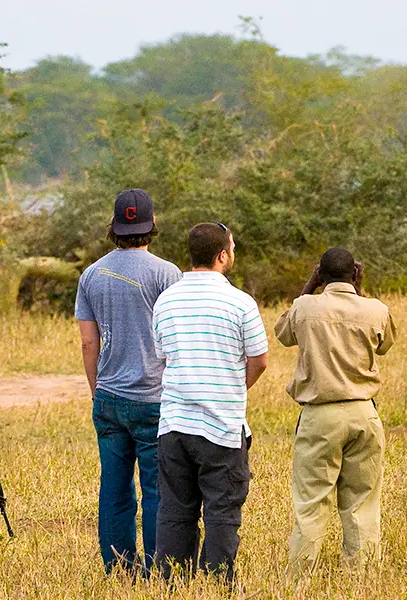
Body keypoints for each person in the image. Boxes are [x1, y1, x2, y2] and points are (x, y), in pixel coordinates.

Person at [152, 222, 268, 583]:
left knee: (173, 510)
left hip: (173, 425)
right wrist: (235, 387)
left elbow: (162, 355)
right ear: (222, 255)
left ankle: (172, 581)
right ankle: (218, 582)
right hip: (221, 426)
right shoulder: (240, 302)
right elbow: (260, 359)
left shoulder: (165, 300)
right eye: (231, 249)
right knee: (222, 510)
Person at [75, 189, 182, 575]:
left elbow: (89, 341)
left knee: (115, 488)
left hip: (109, 397)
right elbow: (176, 337)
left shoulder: (91, 275)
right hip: (155, 397)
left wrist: (96, 389)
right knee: (156, 489)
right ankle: (159, 566)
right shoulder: (168, 274)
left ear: (115, 228)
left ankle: (119, 568)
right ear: (152, 225)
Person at [275, 248, 397, 574]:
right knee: (362, 505)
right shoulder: (375, 309)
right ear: (355, 275)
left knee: (312, 503)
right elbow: (385, 344)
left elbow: (283, 333)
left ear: (321, 275)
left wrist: (308, 286)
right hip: (364, 414)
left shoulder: (305, 307)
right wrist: (360, 291)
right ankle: (362, 579)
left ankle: (299, 579)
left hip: (319, 416)